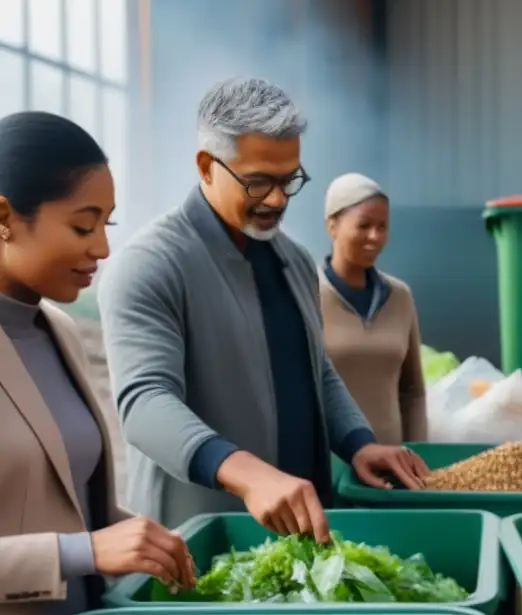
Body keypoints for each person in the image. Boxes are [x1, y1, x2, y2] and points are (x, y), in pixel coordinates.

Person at [98, 78, 429, 538]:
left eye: (288, 179)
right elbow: (145, 403)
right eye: (257, 182)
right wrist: (248, 473)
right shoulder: (151, 264)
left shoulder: (293, 261)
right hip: (201, 539)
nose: (276, 199)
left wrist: (358, 442)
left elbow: (318, 371)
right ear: (206, 166)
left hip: (302, 533)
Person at [0, 112, 193, 615]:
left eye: (107, 225)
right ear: (5, 217)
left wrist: (145, 538)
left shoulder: (58, 331)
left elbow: (73, 503)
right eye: (83, 227)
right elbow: (81, 545)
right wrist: (80, 552)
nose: (103, 250)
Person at [319, 173, 427, 445]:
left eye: (382, 226)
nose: (375, 236)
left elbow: (412, 391)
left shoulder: (400, 296)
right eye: (364, 225)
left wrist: (417, 453)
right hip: (330, 463)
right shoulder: (306, 293)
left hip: (392, 466)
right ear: (332, 225)